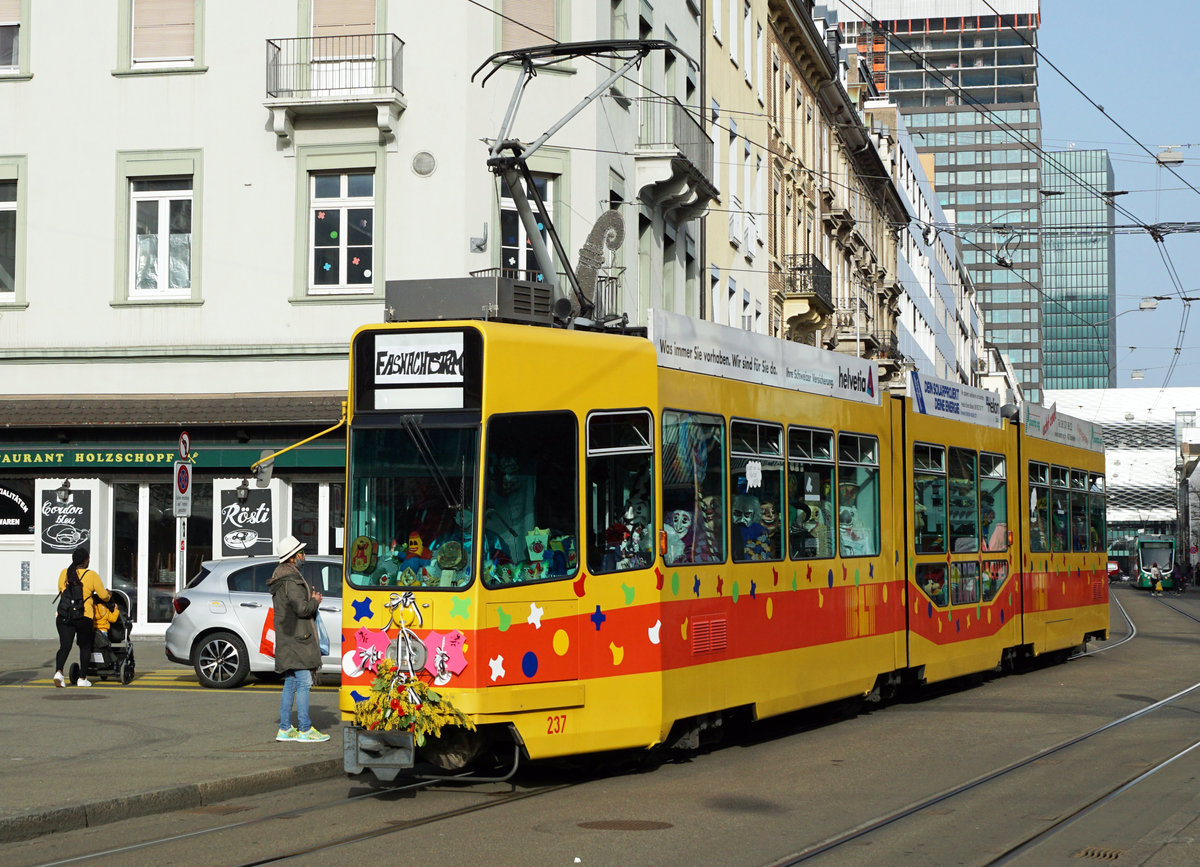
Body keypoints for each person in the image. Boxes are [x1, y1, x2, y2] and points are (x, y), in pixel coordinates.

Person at [269, 534, 330, 743]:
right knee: (304, 682)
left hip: (288, 637)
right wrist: (315, 600)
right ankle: (305, 729)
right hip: (298, 639)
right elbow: (302, 609)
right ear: (292, 557)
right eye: (301, 553)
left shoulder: (283, 577)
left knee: (291, 682)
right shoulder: (291, 580)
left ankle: (285, 728)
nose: (304, 556)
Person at [53, 546, 111, 688]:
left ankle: (59, 673)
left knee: (64, 646)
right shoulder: (91, 575)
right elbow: (103, 596)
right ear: (85, 561)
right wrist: (108, 595)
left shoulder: (64, 573)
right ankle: (82, 678)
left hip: (64, 616)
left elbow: (62, 591)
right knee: (85, 647)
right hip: (84, 617)